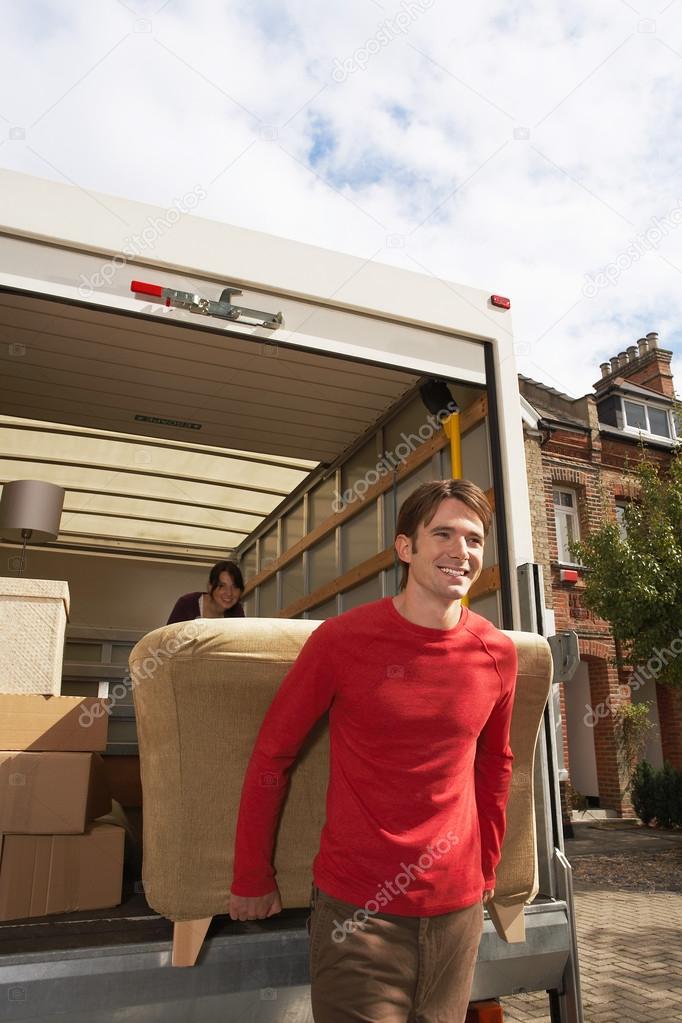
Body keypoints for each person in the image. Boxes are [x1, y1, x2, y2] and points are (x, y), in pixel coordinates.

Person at [229, 480, 518, 1023]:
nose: (462, 552)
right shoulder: (341, 642)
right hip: (358, 912)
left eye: (475, 540)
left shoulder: (497, 654)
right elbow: (273, 755)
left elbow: (494, 769)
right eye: (444, 534)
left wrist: (486, 873)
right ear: (405, 548)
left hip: (456, 910)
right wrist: (251, 875)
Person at [166, 560, 245, 624]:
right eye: (222, 586)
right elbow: (169, 639)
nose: (229, 593)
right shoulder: (187, 604)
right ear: (210, 586)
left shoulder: (237, 612)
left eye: (235, 587)